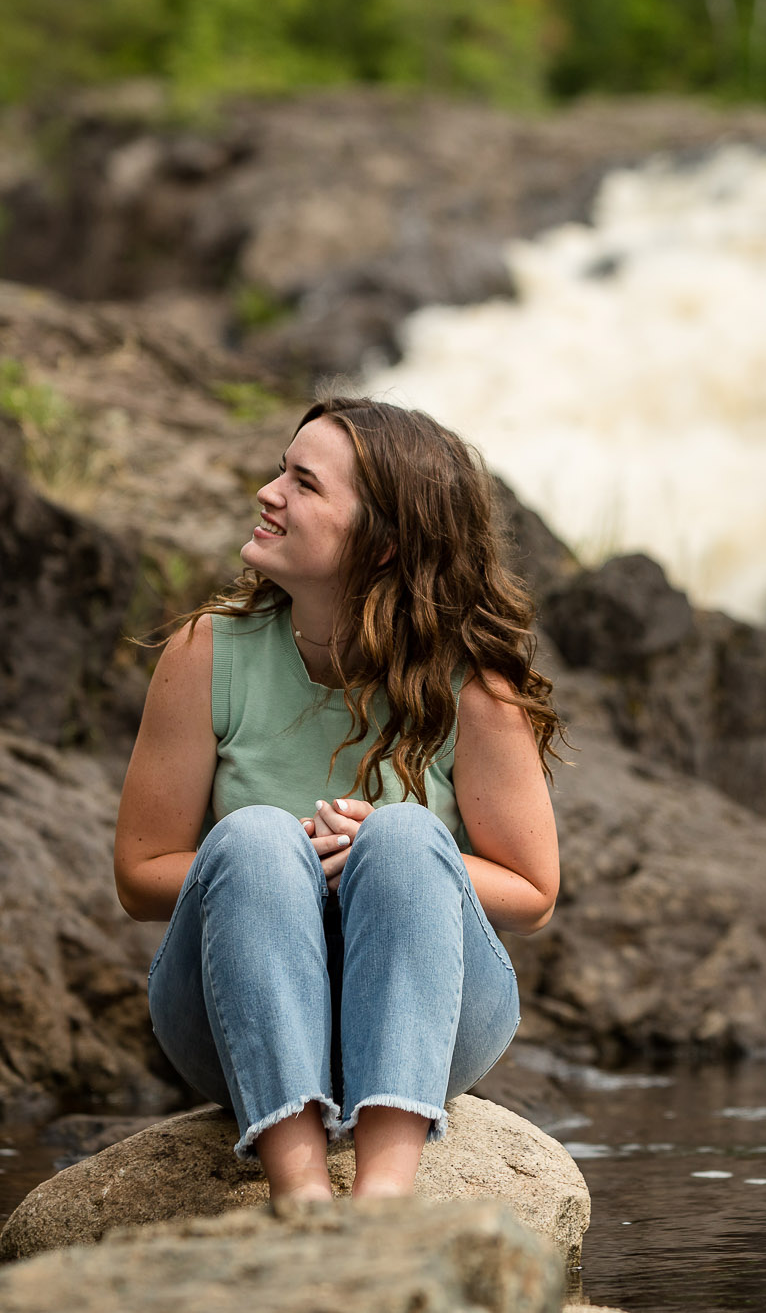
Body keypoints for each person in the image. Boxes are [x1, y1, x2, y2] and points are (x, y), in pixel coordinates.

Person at [112, 396, 561, 1202]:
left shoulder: (475, 687)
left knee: (399, 835)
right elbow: (140, 874)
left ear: (383, 542)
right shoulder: (206, 652)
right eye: (282, 468)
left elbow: (533, 894)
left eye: (304, 483)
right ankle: (300, 1190)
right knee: (253, 837)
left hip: (434, 1022)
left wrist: (385, 854)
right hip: (231, 1023)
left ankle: (384, 1192)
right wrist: (280, 857)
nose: (268, 491)